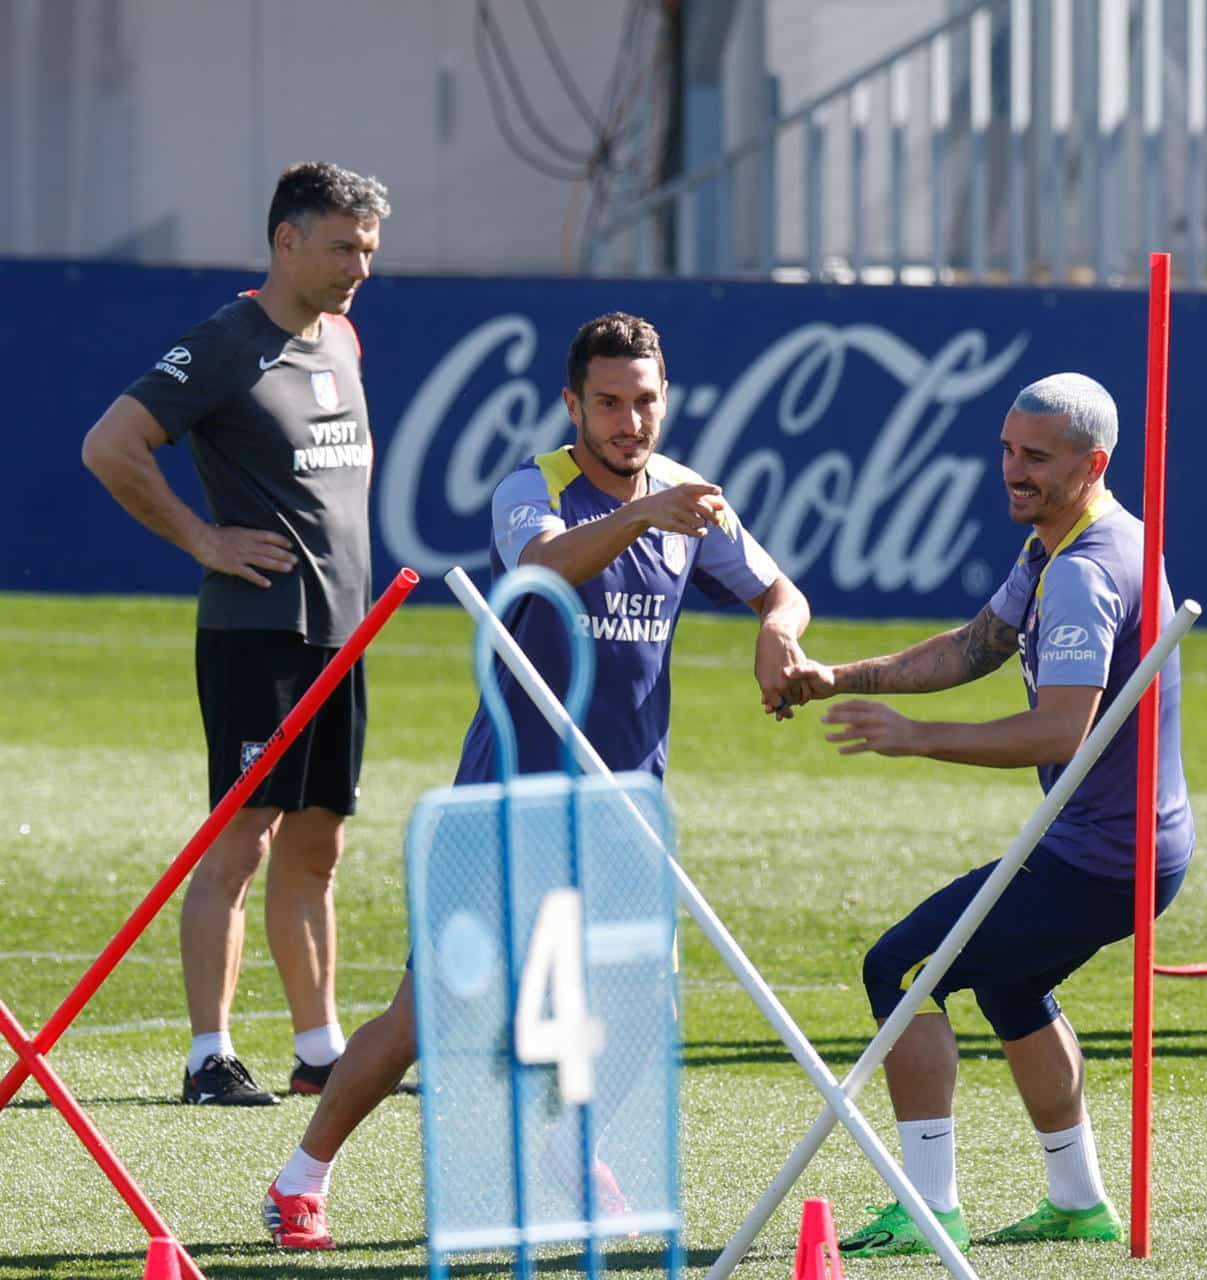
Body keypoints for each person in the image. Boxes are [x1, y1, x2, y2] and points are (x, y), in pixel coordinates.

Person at [262, 312, 816, 1248]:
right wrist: (641, 514)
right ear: (573, 405)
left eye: (644, 402)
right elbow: (541, 568)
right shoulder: (536, 486)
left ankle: (573, 1145)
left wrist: (777, 628)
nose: (629, 422)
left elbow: (778, 587)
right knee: (426, 1016)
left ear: (666, 400)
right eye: (608, 403)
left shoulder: (689, 498)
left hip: (622, 804)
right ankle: (299, 1178)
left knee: (646, 998)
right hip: (509, 801)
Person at [779, 372, 1193, 1258]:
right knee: (1007, 982)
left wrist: (913, 736)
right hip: (1127, 845)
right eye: (1008, 449)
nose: (1013, 470)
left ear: (1094, 463)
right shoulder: (1072, 541)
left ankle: (927, 1210)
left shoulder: (1083, 571)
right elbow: (978, 644)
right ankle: (1079, 1204)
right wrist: (842, 678)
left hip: (1103, 856)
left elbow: (1058, 730)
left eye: (1036, 458)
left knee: (900, 969)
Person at [81, 162, 391, 1107]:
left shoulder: (341, 336)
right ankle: (207, 1055)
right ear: (286, 240)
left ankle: (320, 1050)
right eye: (342, 247)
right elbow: (110, 446)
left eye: (369, 250)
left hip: (343, 634)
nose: (358, 267)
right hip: (259, 633)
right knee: (242, 841)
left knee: (318, 847)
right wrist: (203, 538)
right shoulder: (225, 341)